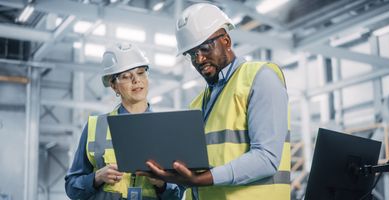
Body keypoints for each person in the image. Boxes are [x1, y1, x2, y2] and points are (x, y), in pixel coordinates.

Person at [140, 3, 290, 200]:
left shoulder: (259, 78)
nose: (199, 59)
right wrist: (166, 181)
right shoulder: (196, 105)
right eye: (192, 54)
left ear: (226, 41)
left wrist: (201, 179)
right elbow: (194, 176)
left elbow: (266, 159)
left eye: (204, 48)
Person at [65, 43, 183, 200]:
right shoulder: (96, 126)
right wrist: (96, 178)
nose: (136, 80)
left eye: (141, 73)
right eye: (126, 76)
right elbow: (72, 188)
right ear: (114, 86)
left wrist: (162, 184)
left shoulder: (167, 129)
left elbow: (179, 193)